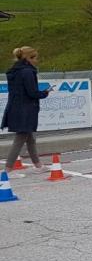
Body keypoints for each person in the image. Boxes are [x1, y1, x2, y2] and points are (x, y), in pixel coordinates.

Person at [2, 46, 52, 176]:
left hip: (15, 107)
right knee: (20, 139)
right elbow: (32, 92)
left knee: (30, 138)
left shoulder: (14, 71)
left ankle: (38, 165)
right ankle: (6, 170)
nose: (37, 60)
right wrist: (45, 93)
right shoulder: (28, 72)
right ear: (29, 58)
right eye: (35, 58)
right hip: (26, 110)